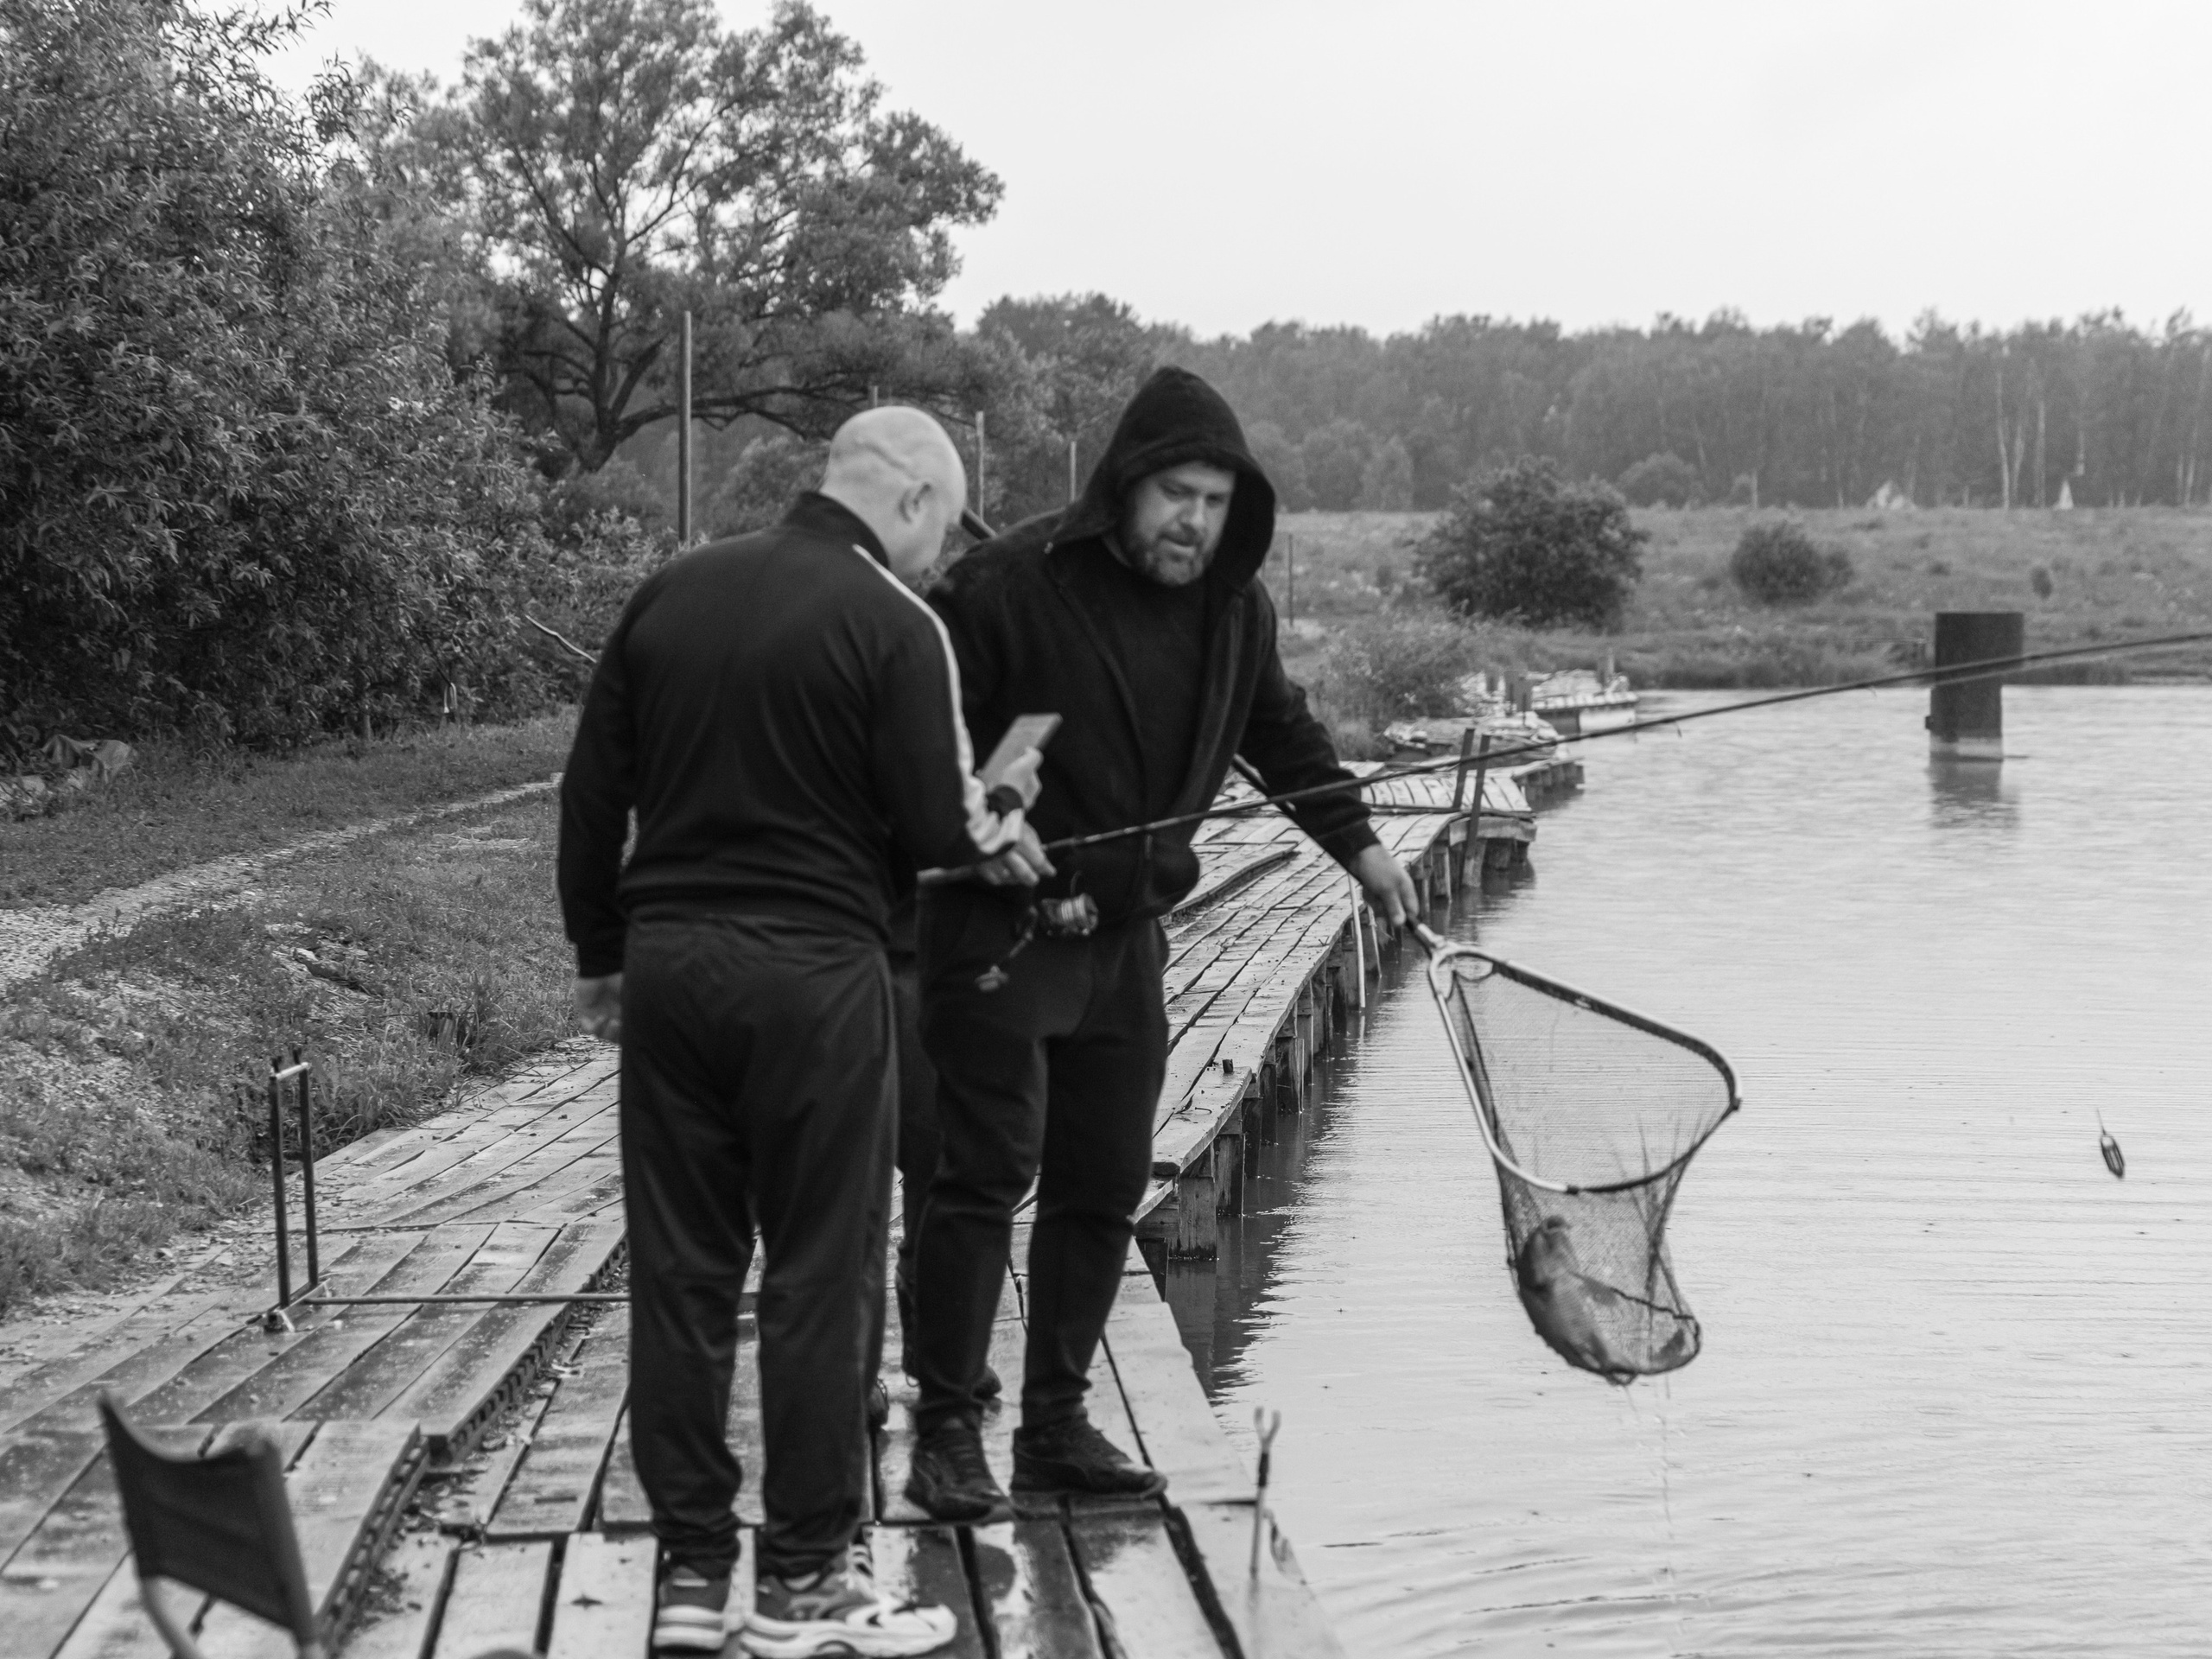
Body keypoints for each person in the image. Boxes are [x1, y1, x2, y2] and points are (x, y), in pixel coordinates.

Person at [557, 407, 1051, 1658]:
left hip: (670, 971)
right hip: (818, 978)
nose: (943, 561)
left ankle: (686, 1578)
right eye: (944, 532)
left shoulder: (671, 591)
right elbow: (938, 830)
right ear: (917, 502)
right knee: (823, 1279)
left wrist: (602, 956)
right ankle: (803, 1585)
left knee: (682, 1274)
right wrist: (999, 809)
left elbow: (590, 790)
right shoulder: (897, 623)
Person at [903, 367, 1421, 1520]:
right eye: (1174, 493)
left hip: (1126, 942)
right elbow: (911, 742)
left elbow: (1283, 738)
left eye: (1215, 500)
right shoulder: (1003, 586)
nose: (1193, 519)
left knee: (1102, 1183)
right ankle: (946, 1428)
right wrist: (970, 819)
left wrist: (1366, 852)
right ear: (1125, 489)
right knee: (983, 1174)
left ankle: (1054, 1425)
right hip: (999, 929)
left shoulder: (1235, 613)